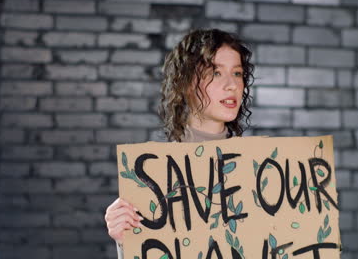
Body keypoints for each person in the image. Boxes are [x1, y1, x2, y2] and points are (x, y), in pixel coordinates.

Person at [103, 28, 254, 258]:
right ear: (185, 83)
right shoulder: (151, 174)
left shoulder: (259, 168)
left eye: (237, 73)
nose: (232, 85)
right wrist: (125, 240)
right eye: (215, 73)